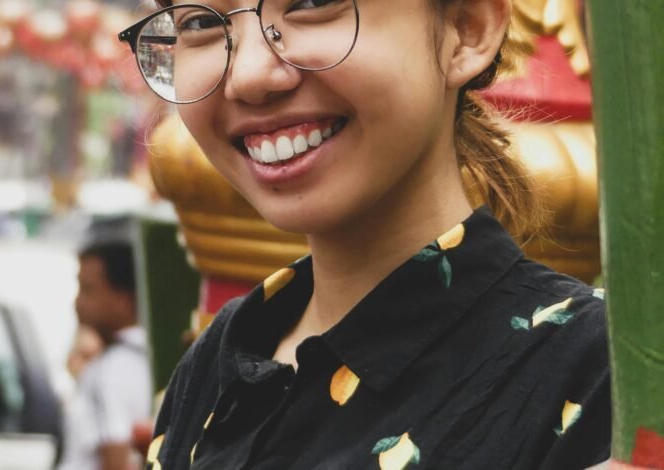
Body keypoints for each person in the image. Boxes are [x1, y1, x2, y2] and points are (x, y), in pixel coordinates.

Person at [118, 0, 610, 468]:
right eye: (200, 22)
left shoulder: (600, 375)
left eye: (312, 3)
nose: (247, 76)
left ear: (466, 29)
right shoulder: (217, 359)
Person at [58, 241, 153, 470]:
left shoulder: (112, 369)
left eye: (88, 289)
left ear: (124, 298)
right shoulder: (147, 359)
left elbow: (117, 457)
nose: (78, 303)